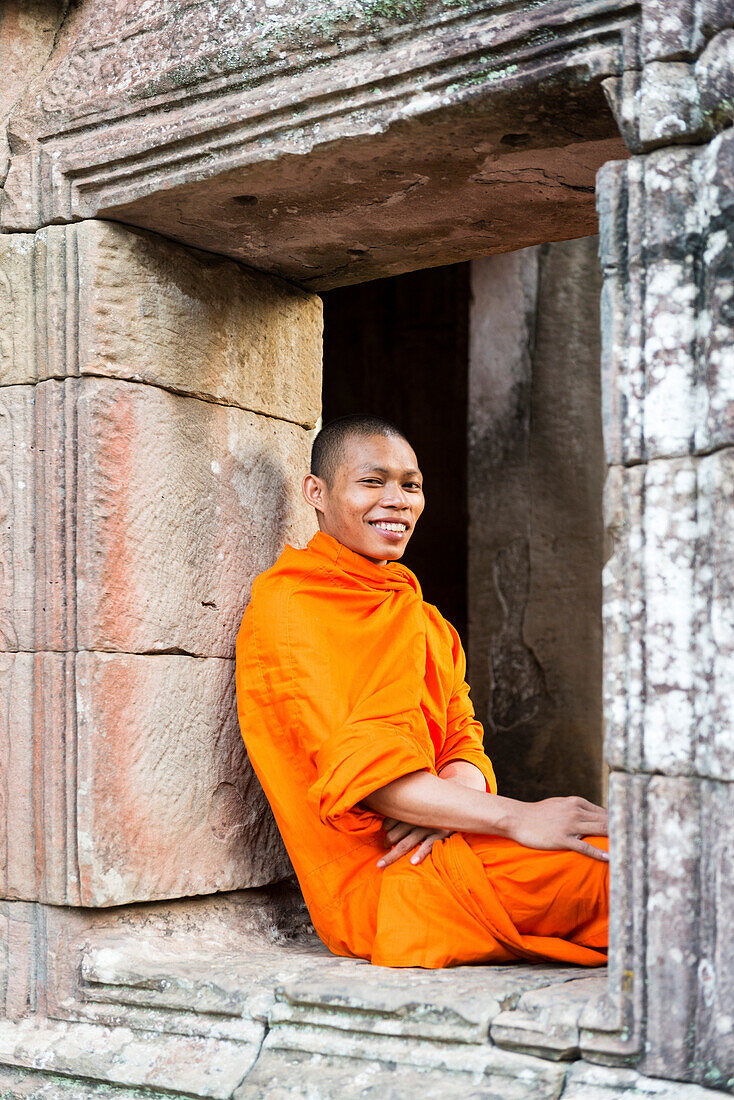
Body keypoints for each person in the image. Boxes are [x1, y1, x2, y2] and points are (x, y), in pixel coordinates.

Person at [235, 414, 609, 969]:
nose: (398, 501)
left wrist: (446, 802)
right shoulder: (291, 608)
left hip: (445, 837)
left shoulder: (422, 618)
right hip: (386, 877)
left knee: (644, 851)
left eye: (411, 485)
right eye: (372, 481)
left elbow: (463, 736)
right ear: (316, 492)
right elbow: (365, 778)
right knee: (626, 876)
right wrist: (516, 817)